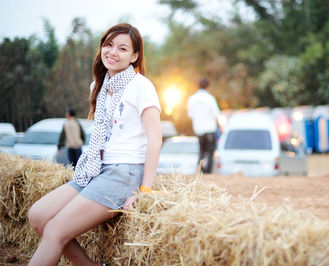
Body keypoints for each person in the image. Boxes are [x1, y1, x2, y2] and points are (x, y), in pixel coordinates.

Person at [27, 23, 162, 266]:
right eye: (108, 44)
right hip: (95, 168)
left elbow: (155, 139)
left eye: (122, 48)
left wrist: (145, 192)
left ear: (134, 56)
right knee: (38, 217)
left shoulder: (141, 86)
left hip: (123, 171)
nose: (112, 52)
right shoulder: (99, 86)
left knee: (56, 230)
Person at [187, 78, 220, 173]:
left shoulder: (192, 99)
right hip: (210, 129)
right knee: (210, 151)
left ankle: (200, 171)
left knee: (201, 151)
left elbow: (190, 114)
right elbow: (216, 114)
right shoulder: (210, 98)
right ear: (208, 87)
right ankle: (208, 172)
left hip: (199, 129)